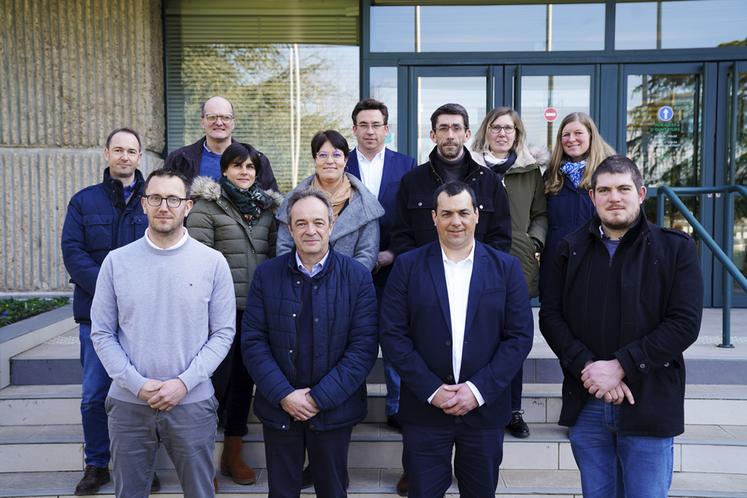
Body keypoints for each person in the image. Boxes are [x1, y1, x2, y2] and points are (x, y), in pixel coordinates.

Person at [539, 156, 703, 498]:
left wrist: (621, 367)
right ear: (592, 197)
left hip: (649, 400)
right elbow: (551, 317)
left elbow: (684, 323)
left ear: (641, 193)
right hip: (588, 402)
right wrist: (590, 369)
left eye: (623, 189)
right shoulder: (569, 250)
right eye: (605, 190)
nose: (614, 197)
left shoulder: (675, 249)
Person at [381, 181, 533, 498]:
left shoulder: (506, 268)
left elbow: (519, 337)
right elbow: (393, 334)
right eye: (447, 213)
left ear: (477, 215)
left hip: (484, 410)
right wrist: (432, 390)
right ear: (433, 217)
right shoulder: (408, 266)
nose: (456, 221)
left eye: (464, 212)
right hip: (425, 411)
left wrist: (477, 391)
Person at [90, 169, 236, 498]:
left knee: (200, 492)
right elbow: (101, 333)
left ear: (188, 206)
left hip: (192, 401)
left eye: (173, 198)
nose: (164, 206)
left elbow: (223, 334)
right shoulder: (116, 262)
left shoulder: (213, 263)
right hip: (129, 404)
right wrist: (136, 384)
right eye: (155, 198)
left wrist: (184, 383)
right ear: (144, 204)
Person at [242, 187, 379, 498]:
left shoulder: (357, 277)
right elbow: (253, 343)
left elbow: (363, 348)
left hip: (334, 409)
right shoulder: (267, 275)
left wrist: (319, 398)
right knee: (282, 492)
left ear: (331, 226)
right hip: (280, 408)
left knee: (332, 490)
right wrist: (284, 395)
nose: (310, 230)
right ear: (290, 229)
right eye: (301, 223)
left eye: (318, 222)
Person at [61, 127, 159, 495]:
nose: (124, 157)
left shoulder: (154, 201)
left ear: (139, 157)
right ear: (106, 154)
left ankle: (141, 466)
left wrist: (135, 295)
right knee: (95, 395)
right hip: (95, 318)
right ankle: (97, 464)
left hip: (143, 318)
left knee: (142, 395)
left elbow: (162, 252)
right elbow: (74, 253)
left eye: (131, 151)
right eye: (118, 150)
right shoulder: (84, 202)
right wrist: (110, 291)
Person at [187, 142, 281, 485]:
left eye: (251, 167)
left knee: (243, 383)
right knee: (213, 384)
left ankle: (232, 453)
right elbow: (197, 264)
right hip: (215, 315)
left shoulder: (268, 209)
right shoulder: (206, 208)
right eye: (237, 165)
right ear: (224, 170)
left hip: (254, 313)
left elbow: (274, 258)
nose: (244, 172)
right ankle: (204, 461)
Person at [471, 106, 549, 439]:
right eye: (496, 127)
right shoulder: (470, 167)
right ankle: (482, 401)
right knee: (477, 336)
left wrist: (533, 242)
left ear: (517, 135)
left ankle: (513, 410)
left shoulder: (530, 171)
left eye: (509, 129)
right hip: (476, 261)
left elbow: (541, 214)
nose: (502, 133)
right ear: (486, 131)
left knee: (513, 337)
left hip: (517, 261)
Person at [346, 98, 416, 430]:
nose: (370, 131)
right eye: (364, 125)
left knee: (395, 339)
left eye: (376, 125)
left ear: (387, 129)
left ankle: (398, 407)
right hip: (350, 270)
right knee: (352, 341)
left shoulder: (408, 166)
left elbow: (413, 220)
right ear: (354, 129)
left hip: (395, 268)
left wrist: (392, 253)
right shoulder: (339, 164)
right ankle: (351, 404)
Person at [389, 103, 511, 258]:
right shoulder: (412, 181)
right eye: (443, 128)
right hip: (425, 277)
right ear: (433, 135)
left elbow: (500, 237)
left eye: (456, 128)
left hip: (478, 275)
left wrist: (482, 269)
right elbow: (401, 236)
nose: (450, 135)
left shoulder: (490, 182)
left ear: (467, 134)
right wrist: (418, 269)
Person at [276, 129, 384, 271]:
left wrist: (345, 281)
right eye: (323, 155)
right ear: (315, 160)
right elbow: (284, 248)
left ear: (345, 160)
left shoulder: (365, 204)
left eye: (337, 155)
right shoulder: (294, 201)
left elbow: (367, 253)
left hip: (347, 287)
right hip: (301, 285)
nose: (330, 161)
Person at [540, 111, 615, 297]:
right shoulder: (552, 176)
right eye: (566, 134)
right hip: (557, 260)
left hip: (597, 259)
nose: (571, 139)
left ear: (591, 135)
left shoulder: (609, 172)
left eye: (578, 133)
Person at [163, 95, 279, 190]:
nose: (219, 122)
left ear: (233, 123)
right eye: (212, 117)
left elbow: (272, 208)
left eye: (225, 117)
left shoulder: (257, 160)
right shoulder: (179, 159)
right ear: (202, 122)